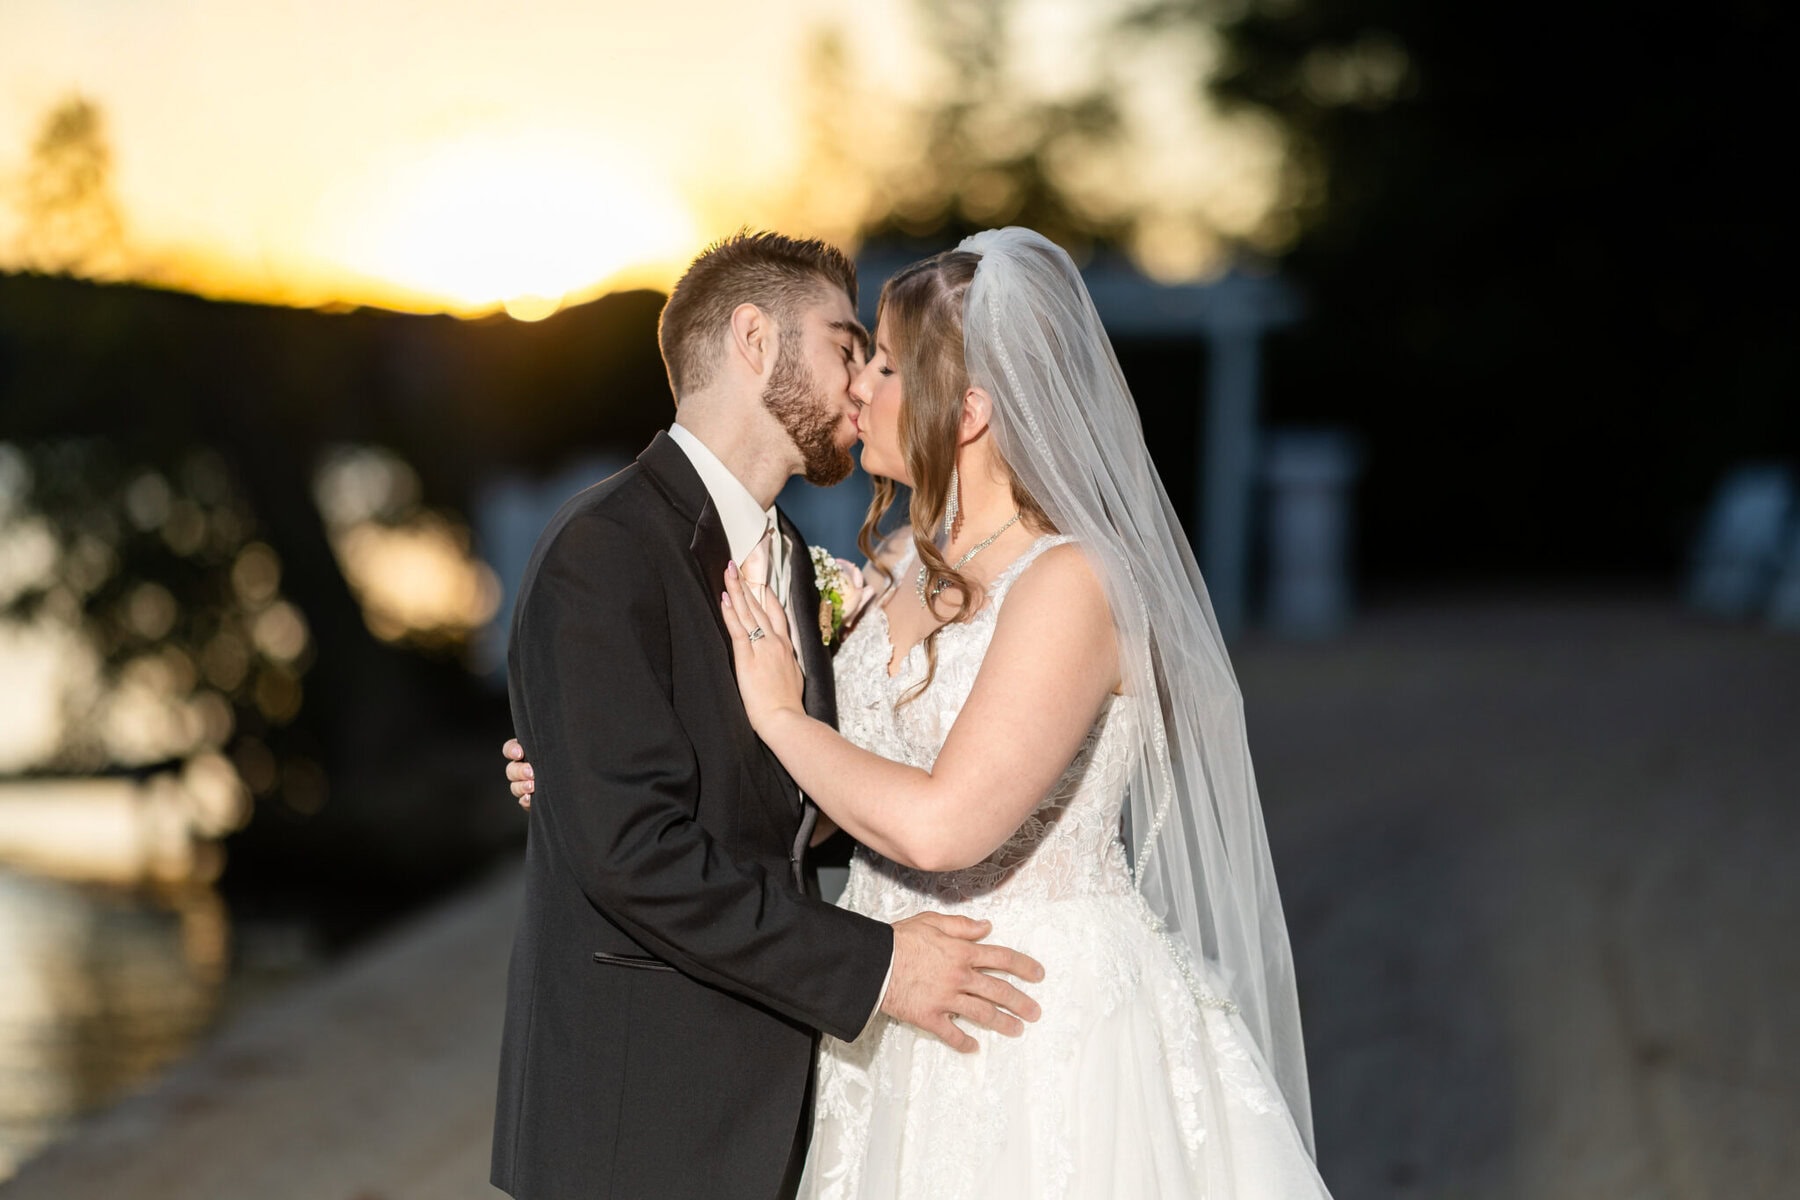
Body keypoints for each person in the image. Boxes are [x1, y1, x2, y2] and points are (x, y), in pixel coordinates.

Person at [508, 228, 1329, 1197]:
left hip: (1028, 1014)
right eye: (853, 351)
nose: (861, 387)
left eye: (885, 364)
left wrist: (781, 723)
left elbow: (935, 817)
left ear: (971, 408)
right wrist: (584, 766)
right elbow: (796, 795)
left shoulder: (1071, 583)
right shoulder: (889, 568)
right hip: (882, 1017)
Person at [490, 230, 1045, 1200]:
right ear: (754, 341)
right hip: (643, 1123)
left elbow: (783, 812)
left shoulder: (795, 561)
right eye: (845, 348)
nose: (864, 387)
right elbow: (633, 853)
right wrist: (879, 966)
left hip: (779, 1104)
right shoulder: (604, 552)